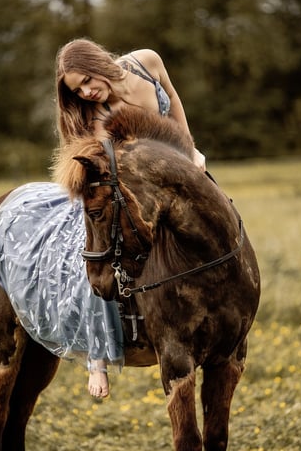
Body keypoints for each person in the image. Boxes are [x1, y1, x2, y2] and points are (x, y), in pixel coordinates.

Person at [54, 38, 206, 398]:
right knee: (99, 255)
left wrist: (191, 149)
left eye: (88, 80)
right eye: (79, 90)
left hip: (178, 168)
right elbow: (112, 165)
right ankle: (97, 357)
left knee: (218, 219)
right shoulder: (98, 114)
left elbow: (174, 101)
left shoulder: (147, 60)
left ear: (98, 62)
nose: (88, 91)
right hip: (134, 186)